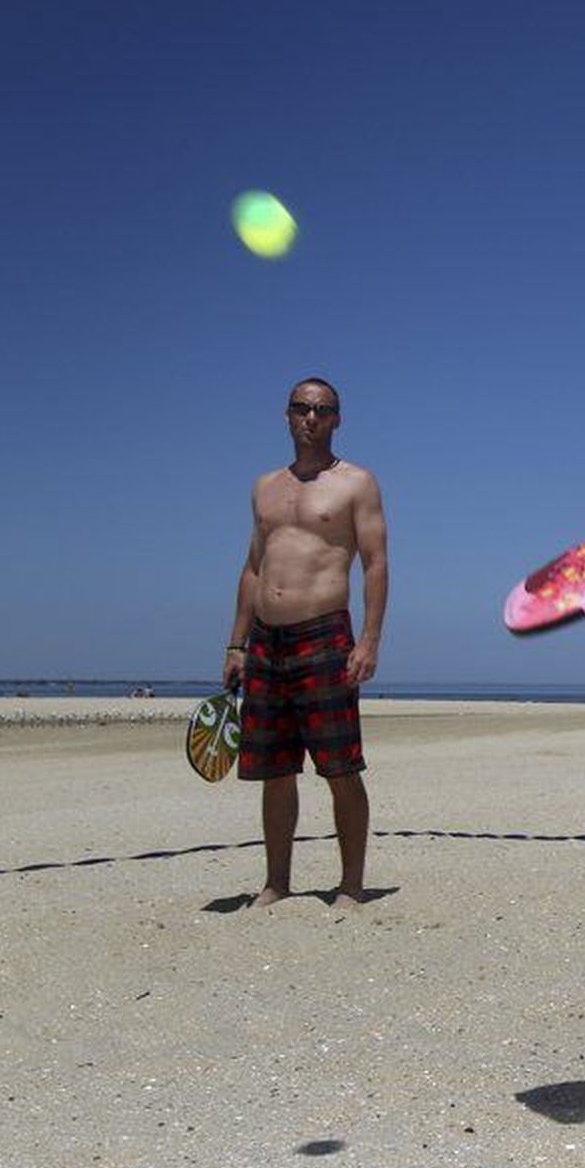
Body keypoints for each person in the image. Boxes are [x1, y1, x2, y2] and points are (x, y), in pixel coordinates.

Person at [223, 376, 389, 908]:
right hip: (267, 641)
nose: (311, 418)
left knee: (340, 766)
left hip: (324, 633)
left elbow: (376, 563)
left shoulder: (356, 483)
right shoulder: (265, 486)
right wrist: (236, 644)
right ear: (287, 415)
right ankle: (276, 882)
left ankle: (351, 884)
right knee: (275, 770)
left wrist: (368, 639)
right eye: (302, 408)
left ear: (338, 419)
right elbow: (253, 566)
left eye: (322, 410)